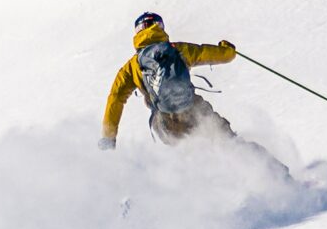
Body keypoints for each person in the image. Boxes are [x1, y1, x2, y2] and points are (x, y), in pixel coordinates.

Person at [100, 11, 241, 148]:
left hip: (163, 122)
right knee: (226, 141)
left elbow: (116, 98)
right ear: (160, 26)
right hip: (194, 108)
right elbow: (218, 54)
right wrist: (227, 49)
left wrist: (108, 137)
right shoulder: (178, 49)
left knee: (188, 156)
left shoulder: (132, 66)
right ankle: (250, 158)